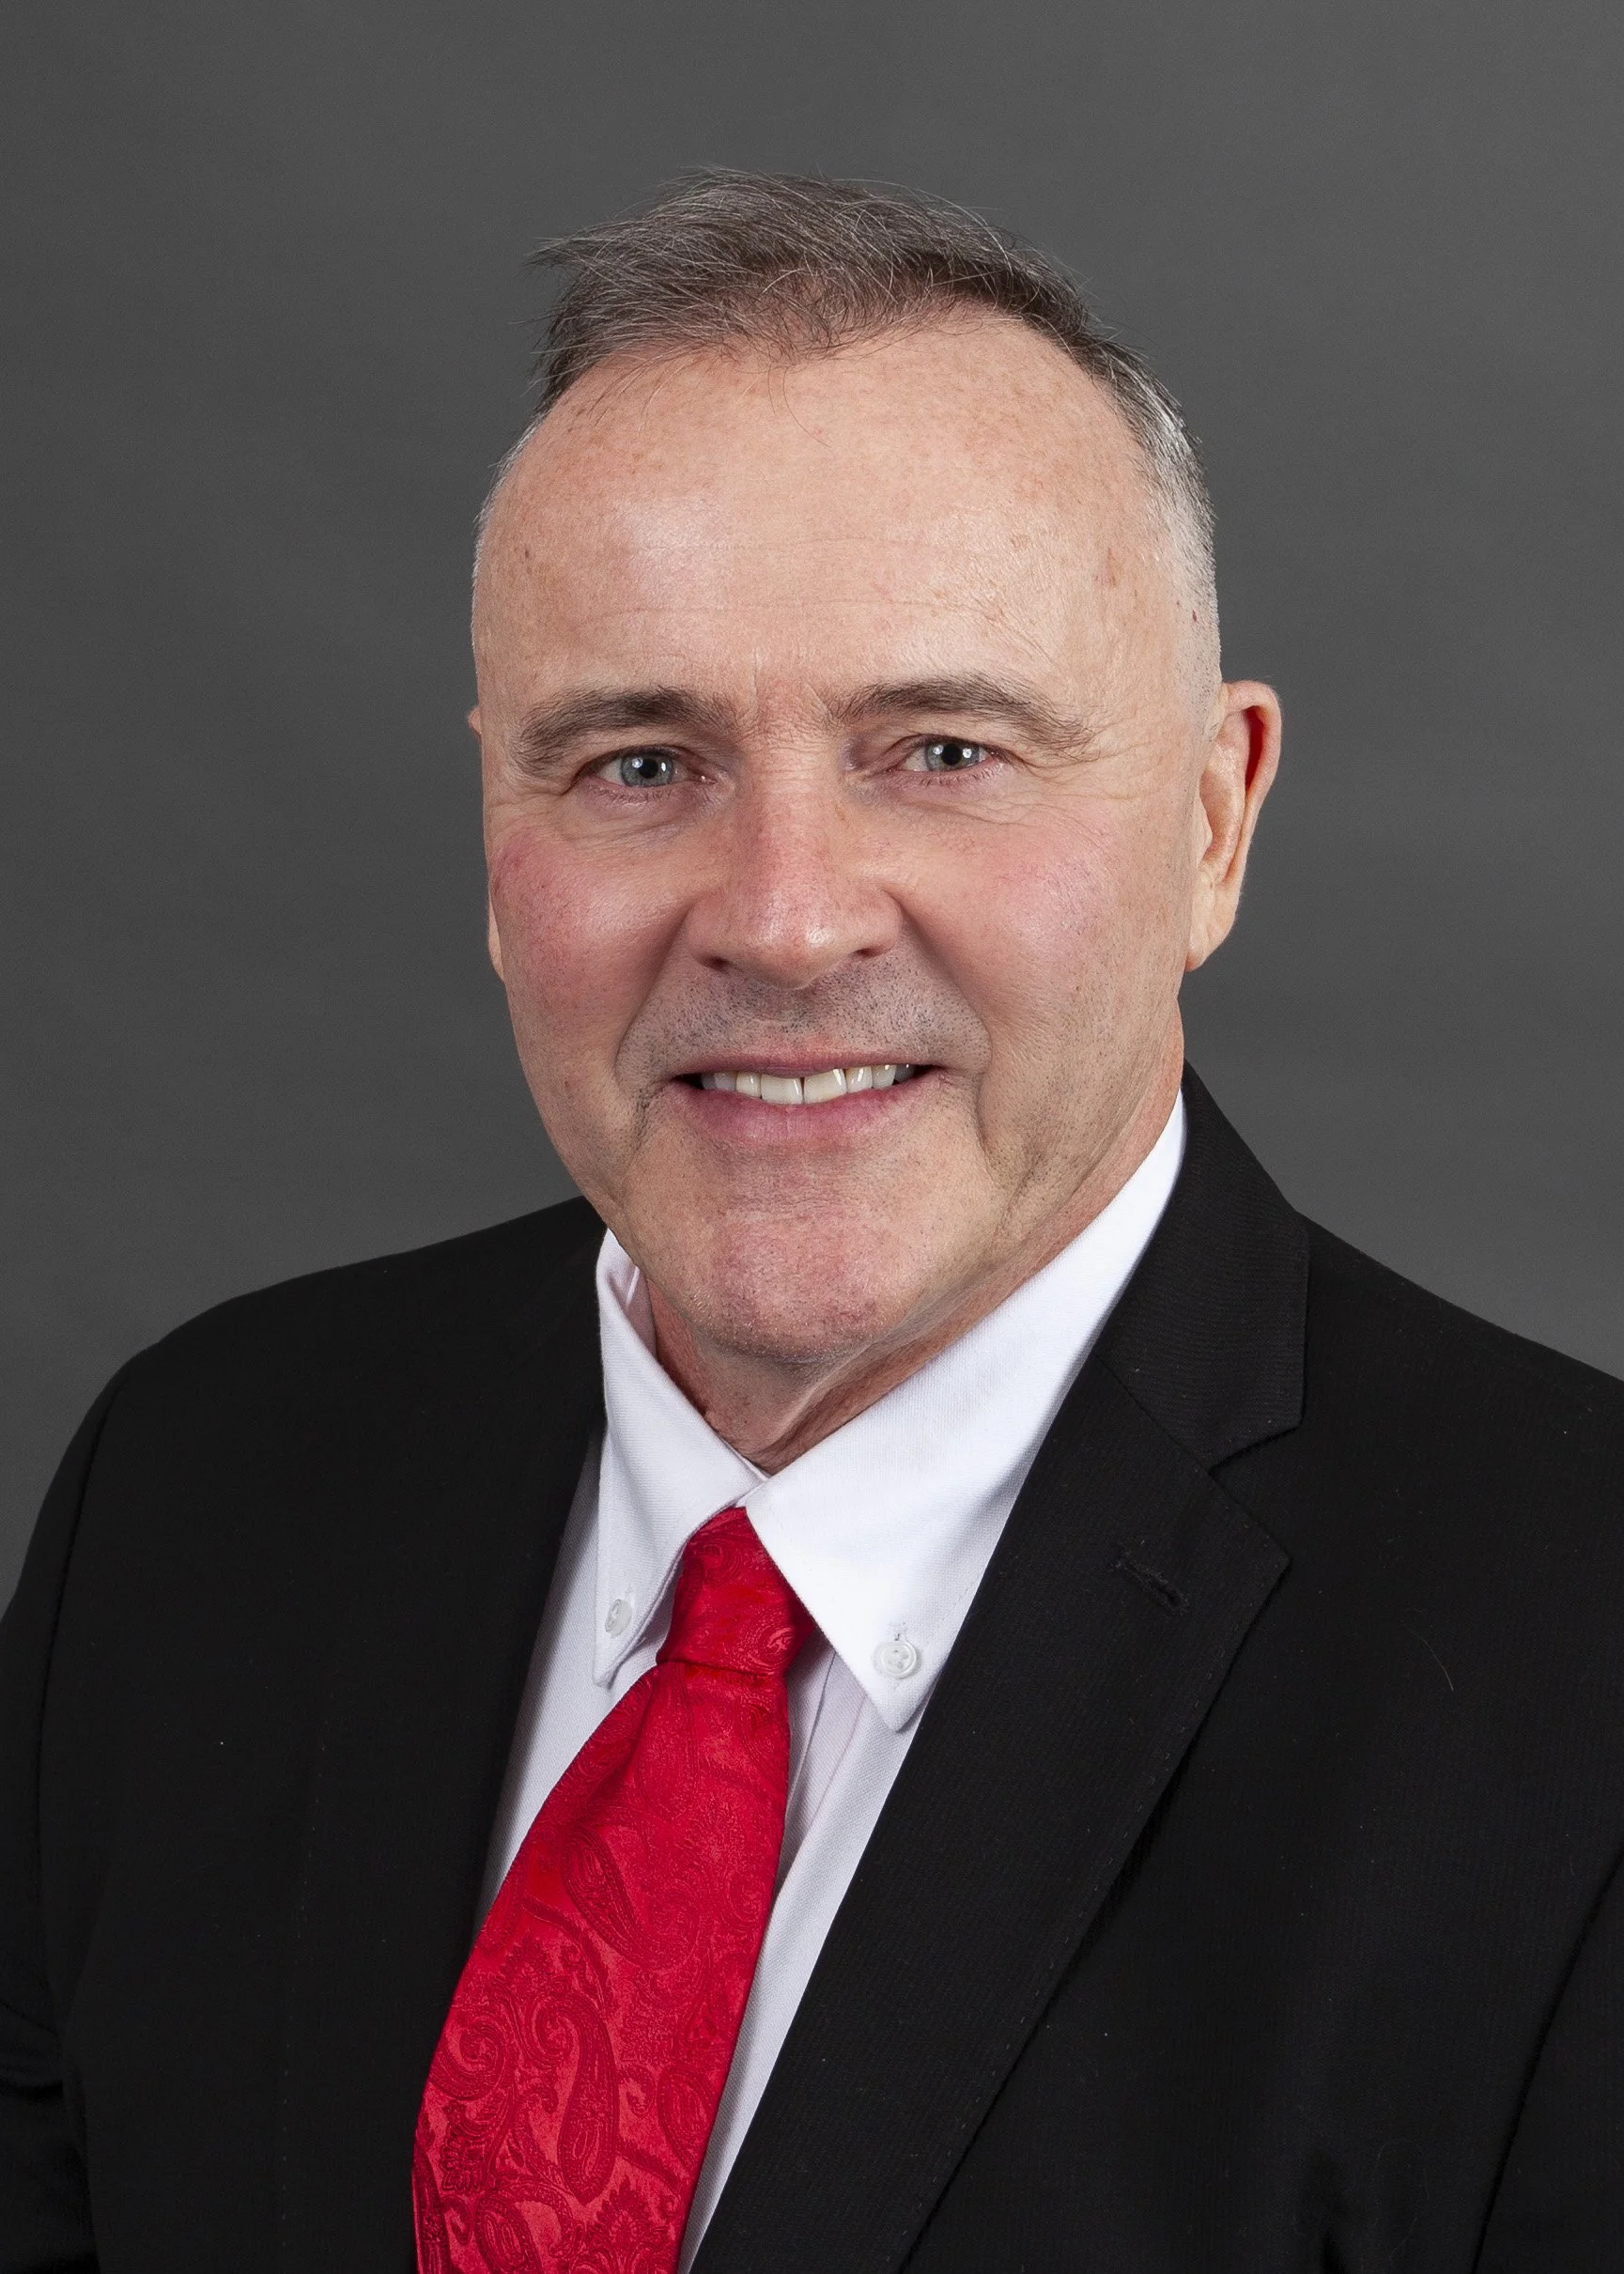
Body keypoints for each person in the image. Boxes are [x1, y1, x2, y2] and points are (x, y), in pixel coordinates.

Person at [3, 170, 1621, 2274]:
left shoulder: (1577, 1675)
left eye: (938, 749)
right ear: (498, 839)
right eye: (639, 764)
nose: (780, 917)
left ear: (1216, 819)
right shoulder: (198, 1486)